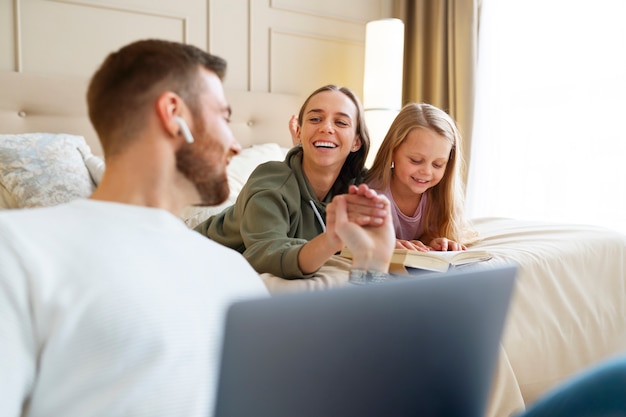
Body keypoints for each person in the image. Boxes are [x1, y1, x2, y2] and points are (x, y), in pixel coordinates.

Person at [0, 39, 394, 417]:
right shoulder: (19, 249)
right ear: (174, 115)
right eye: (223, 117)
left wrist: (372, 266)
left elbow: (334, 384)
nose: (236, 144)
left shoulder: (233, 272)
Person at [195, 84, 375, 279]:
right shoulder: (271, 181)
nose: (326, 128)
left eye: (340, 122)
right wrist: (330, 241)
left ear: (357, 141)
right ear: (299, 132)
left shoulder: (359, 186)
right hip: (198, 253)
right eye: (315, 119)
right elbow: (264, 253)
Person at [364, 103, 478, 252]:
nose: (426, 172)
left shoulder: (438, 196)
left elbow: (427, 237)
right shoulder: (371, 195)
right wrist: (385, 242)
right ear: (392, 151)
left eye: (437, 164)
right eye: (416, 160)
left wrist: (436, 242)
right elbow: (353, 239)